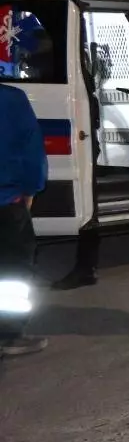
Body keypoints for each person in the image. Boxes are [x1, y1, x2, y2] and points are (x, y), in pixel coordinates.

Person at [1, 83, 48, 358]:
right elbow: (32, 152)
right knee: (12, 275)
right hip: (6, 203)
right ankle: (9, 335)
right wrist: (31, 189)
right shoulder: (11, 99)